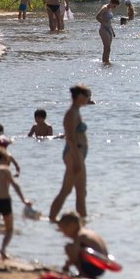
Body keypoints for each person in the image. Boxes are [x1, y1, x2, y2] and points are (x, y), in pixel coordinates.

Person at [49, 84, 93, 222]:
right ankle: (52, 219)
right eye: (87, 95)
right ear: (79, 96)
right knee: (66, 190)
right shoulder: (71, 114)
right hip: (74, 153)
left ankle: (82, 223)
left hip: (79, 153)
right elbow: (70, 138)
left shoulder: (76, 112)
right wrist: (77, 159)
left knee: (81, 192)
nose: (88, 98)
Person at [57, 211, 109, 279]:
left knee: (69, 247)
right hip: (103, 267)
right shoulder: (88, 233)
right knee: (79, 249)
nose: (63, 233)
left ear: (71, 226)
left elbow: (74, 257)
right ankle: (87, 274)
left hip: (95, 267)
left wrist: (66, 266)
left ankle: (83, 274)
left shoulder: (80, 236)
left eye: (63, 229)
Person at [97, 0, 120, 65]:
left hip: (109, 29)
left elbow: (109, 21)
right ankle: (104, 61)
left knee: (109, 48)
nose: (114, 7)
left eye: (116, 6)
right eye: (114, 6)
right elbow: (97, 17)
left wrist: (112, 31)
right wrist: (104, 24)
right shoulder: (105, 8)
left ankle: (106, 61)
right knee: (106, 47)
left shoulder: (110, 9)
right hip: (103, 29)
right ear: (111, 2)